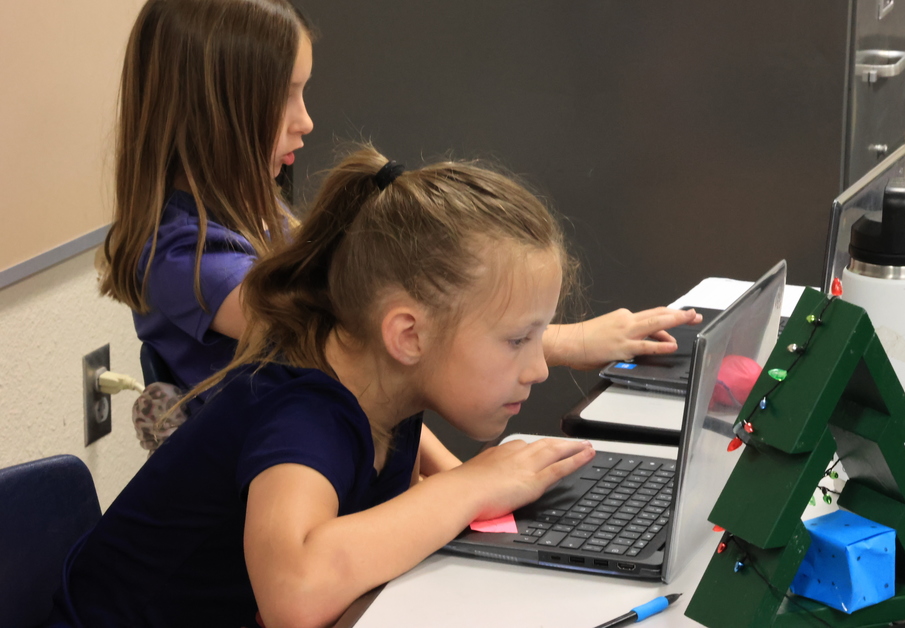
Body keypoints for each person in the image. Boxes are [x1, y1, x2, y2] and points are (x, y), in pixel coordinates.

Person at [98, 0, 701, 434]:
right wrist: (567, 342)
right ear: (215, 112)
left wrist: (466, 485)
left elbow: (390, 397)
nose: (306, 121)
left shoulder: (263, 215)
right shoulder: (178, 256)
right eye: (286, 97)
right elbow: (341, 325)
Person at [52, 149, 608, 628]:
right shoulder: (304, 413)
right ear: (408, 335)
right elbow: (293, 592)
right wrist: (471, 487)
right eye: (518, 340)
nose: (538, 367)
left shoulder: (390, 393)